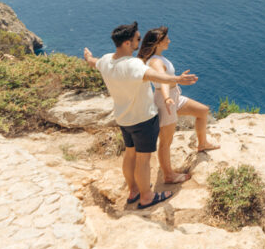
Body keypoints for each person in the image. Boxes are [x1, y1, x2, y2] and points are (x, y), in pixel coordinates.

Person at [83, 21, 198, 209]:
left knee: (130, 154)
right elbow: (156, 77)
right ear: (127, 43)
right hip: (143, 119)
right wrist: (178, 79)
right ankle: (147, 197)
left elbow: (92, 62)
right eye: (137, 38)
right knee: (143, 159)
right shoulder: (133, 64)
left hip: (123, 118)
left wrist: (88, 56)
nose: (139, 41)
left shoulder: (105, 60)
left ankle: (133, 190)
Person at [136, 26, 218, 184]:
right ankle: (168, 175)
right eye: (166, 38)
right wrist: (167, 99)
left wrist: (179, 79)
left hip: (175, 97)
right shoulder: (155, 62)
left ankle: (202, 143)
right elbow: (162, 80)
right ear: (158, 42)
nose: (169, 40)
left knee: (202, 111)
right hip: (165, 100)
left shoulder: (158, 58)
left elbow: (167, 78)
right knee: (166, 141)